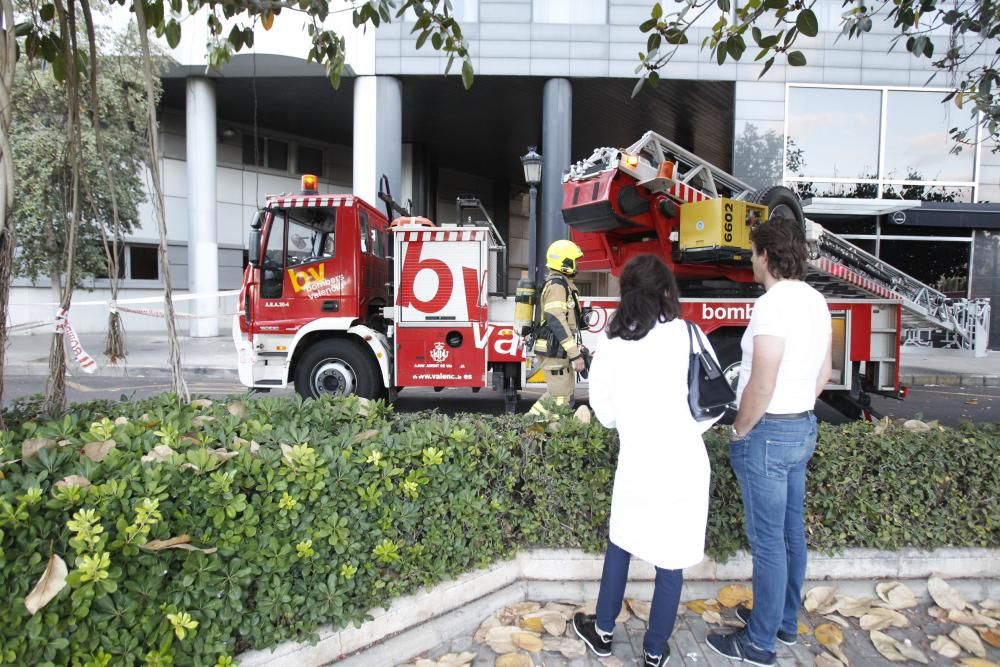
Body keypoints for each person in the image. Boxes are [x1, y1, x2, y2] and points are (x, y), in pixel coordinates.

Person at [573, 254, 723, 667]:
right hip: (685, 466)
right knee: (671, 563)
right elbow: (712, 407)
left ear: (626, 294)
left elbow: (604, 414)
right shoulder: (690, 335)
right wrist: (682, 430)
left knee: (620, 544)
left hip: (637, 466)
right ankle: (655, 652)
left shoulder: (614, 344)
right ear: (667, 292)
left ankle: (602, 633)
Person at [706, 215, 833, 667]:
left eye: (754, 254)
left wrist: (741, 428)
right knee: (790, 534)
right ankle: (782, 621)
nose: (753, 262)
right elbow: (825, 372)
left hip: (768, 432)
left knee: (768, 543)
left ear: (765, 255)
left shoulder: (772, 305)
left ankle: (759, 644)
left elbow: (761, 380)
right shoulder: (817, 301)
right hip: (801, 426)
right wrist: (798, 404)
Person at [528, 239, 586, 416]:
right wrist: (575, 354)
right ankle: (531, 430)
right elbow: (556, 320)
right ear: (565, 262)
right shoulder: (557, 286)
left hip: (557, 350)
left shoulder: (561, 284)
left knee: (562, 395)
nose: (577, 265)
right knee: (560, 398)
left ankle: (530, 428)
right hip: (554, 351)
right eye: (574, 260)